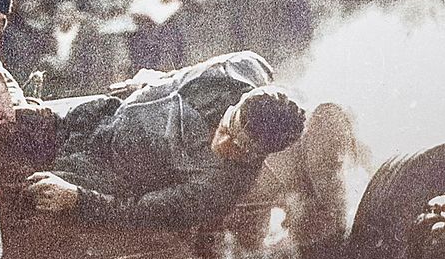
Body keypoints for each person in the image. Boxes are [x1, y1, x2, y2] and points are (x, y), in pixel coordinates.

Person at [24, 51, 306, 231]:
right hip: (96, 115)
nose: (223, 141)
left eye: (239, 146)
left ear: (259, 153)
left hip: (96, 173)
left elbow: (137, 214)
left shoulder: (218, 189)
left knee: (18, 195)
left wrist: (75, 198)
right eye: (228, 125)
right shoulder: (242, 68)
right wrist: (158, 80)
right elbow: (193, 73)